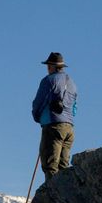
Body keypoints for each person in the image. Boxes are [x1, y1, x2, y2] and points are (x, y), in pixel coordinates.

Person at [31, 52, 78, 181]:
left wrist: (37, 117)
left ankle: (51, 198)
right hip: (69, 127)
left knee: (50, 164)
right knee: (64, 165)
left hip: (53, 125)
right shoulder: (72, 83)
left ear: (51, 66)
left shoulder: (49, 81)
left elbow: (39, 102)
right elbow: (74, 108)